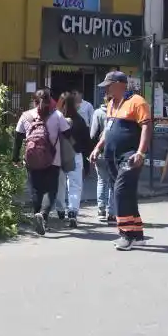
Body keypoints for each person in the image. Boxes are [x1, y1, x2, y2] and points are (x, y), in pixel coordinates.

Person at [89, 71, 152, 251]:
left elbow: (147, 126)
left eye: (108, 86)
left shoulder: (137, 101)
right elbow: (108, 131)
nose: (106, 89)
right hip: (112, 157)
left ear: (119, 85)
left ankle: (125, 234)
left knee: (120, 192)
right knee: (127, 194)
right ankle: (137, 235)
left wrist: (140, 152)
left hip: (130, 156)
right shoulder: (111, 104)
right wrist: (97, 148)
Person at [13, 89, 72, 236]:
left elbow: (18, 137)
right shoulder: (57, 115)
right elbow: (68, 135)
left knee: (36, 190)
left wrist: (15, 158)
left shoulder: (26, 116)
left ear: (34, 101)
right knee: (51, 190)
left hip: (32, 159)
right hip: (53, 159)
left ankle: (37, 216)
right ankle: (43, 215)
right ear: (49, 100)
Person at [57, 92, 91, 227]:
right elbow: (87, 141)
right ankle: (72, 212)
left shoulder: (56, 119)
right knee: (75, 185)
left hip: (59, 155)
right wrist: (87, 162)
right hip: (75, 155)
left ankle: (60, 209)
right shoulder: (80, 120)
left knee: (59, 184)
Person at [90, 94, 114, 222]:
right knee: (112, 182)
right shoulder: (118, 113)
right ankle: (112, 212)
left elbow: (93, 134)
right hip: (114, 153)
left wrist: (94, 150)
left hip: (100, 152)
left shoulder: (98, 113)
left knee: (101, 181)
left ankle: (101, 209)